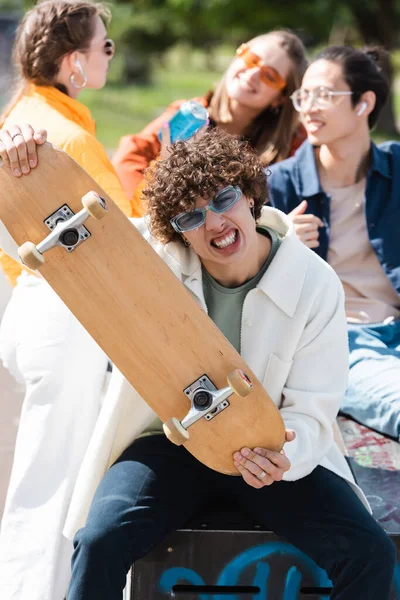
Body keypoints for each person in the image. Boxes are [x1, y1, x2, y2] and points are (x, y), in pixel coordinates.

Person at [37, 126, 394, 599]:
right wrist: (21, 160)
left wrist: (283, 456)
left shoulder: (314, 281)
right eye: (190, 216)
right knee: (100, 540)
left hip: (266, 447)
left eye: (224, 199)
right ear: (176, 229)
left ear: (249, 197)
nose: (214, 224)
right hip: (169, 442)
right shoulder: (156, 262)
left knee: (371, 553)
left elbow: (314, 405)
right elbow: (45, 237)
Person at [0, 2, 132, 599]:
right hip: (67, 316)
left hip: (33, 311)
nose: (110, 55)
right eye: (106, 46)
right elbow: (126, 243)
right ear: (75, 61)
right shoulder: (65, 136)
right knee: (55, 484)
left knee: (49, 479)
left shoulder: (26, 114)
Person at [267, 45, 400, 441]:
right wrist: (279, 243)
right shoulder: (278, 185)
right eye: (303, 95)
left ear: (364, 103)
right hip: (341, 339)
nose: (308, 107)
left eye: (323, 95)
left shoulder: (397, 170)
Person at [111, 30, 308, 213]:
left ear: (281, 98)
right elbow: (130, 157)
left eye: (270, 76)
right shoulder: (189, 116)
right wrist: (141, 213)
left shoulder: (290, 146)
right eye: (251, 59)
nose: (253, 73)